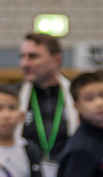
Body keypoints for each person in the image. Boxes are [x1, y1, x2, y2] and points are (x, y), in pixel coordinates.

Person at [18, 33, 78, 168]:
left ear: (56, 60)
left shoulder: (76, 95)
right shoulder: (14, 96)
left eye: (32, 56)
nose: (24, 63)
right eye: (22, 56)